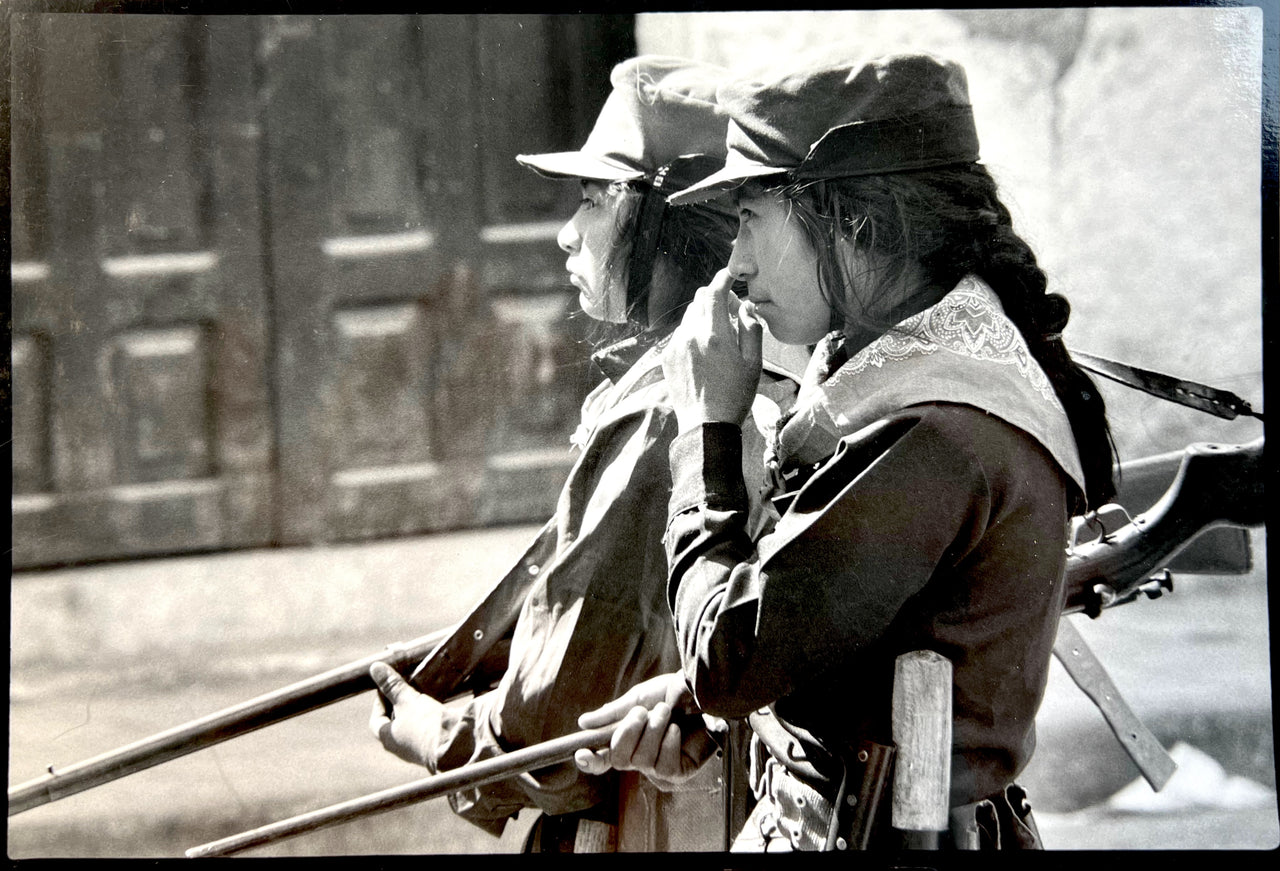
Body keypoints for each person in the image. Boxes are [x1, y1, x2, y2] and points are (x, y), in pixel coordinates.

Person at [573, 52, 1116, 852]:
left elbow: (730, 656)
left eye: (752, 217)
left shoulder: (935, 428)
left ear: (853, 220)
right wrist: (700, 703)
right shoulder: (905, 377)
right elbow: (835, 643)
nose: (736, 264)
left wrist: (708, 427)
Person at [366, 55, 803, 853]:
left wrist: (433, 734)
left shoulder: (660, 413)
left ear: (663, 225)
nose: (570, 233)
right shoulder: (759, 369)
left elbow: (551, 723)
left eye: (596, 201)